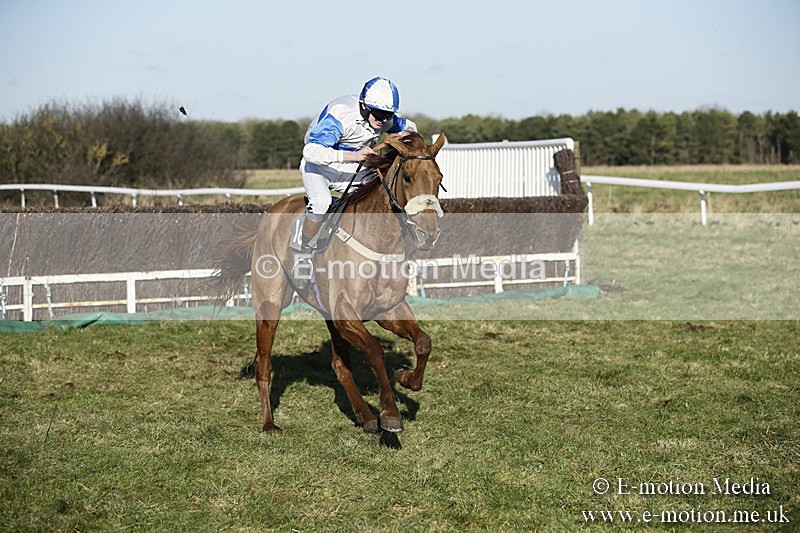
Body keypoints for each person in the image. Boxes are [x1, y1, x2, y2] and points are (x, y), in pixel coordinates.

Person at [292, 77, 417, 286]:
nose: (382, 120)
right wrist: (354, 156)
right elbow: (311, 151)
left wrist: (407, 134)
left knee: (382, 192)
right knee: (322, 202)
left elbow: (410, 127)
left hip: (352, 169)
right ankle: (303, 254)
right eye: (378, 114)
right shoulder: (341, 114)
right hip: (319, 167)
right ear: (363, 106)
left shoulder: (383, 116)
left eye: (387, 115)